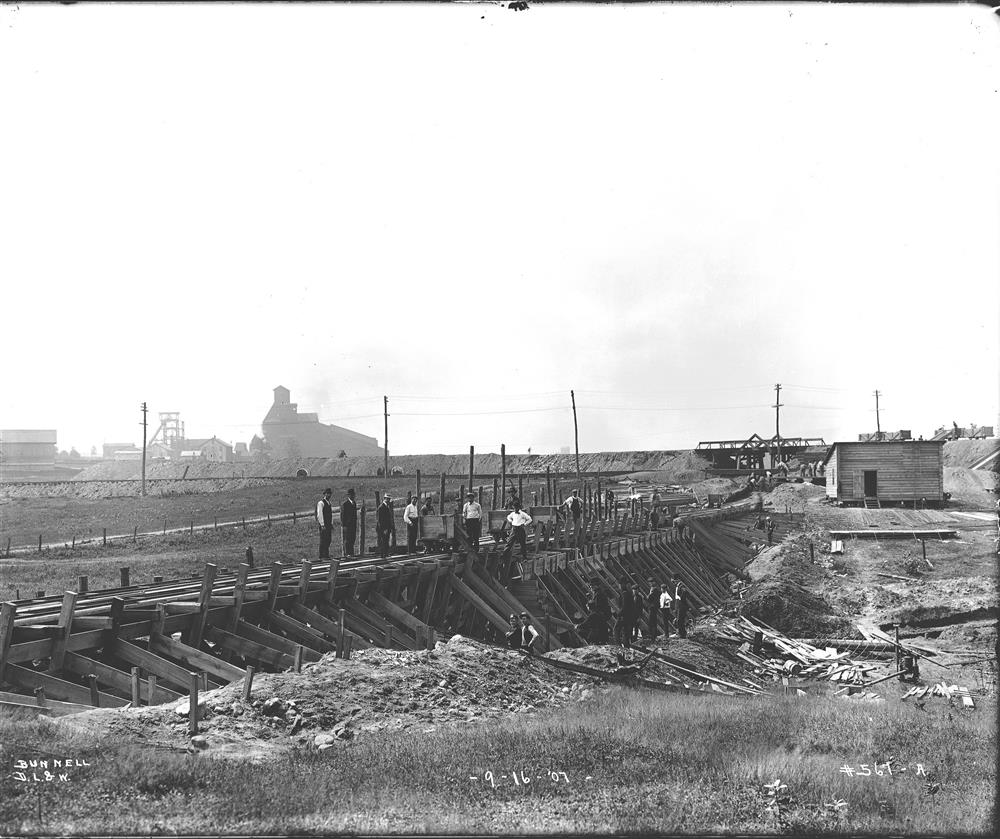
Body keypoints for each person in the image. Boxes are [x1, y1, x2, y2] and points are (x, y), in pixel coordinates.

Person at [316, 488, 334, 559]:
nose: (329, 495)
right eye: (327, 494)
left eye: (330, 494)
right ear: (324, 494)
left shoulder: (329, 503)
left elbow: (330, 514)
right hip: (324, 525)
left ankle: (326, 554)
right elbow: (319, 514)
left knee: (328, 540)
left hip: (328, 524)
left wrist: (331, 523)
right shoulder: (321, 503)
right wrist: (322, 524)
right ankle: (321, 555)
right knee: (323, 540)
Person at [340, 488, 358, 557]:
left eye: (353, 495)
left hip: (353, 525)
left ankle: (351, 553)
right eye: (351, 495)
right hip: (347, 525)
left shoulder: (354, 503)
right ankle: (347, 553)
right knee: (347, 540)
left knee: (352, 539)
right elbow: (342, 516)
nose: (353, 496)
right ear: (348, 496)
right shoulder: (345, 504)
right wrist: (344, 525)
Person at [376, 493, 393, 560]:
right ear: (384, 499)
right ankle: (383, 554)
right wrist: (384, 529)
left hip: (387, 528)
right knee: (383, 541)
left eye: (389, 499)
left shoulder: (386, 507)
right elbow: (380, 520)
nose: (388, 500)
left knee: (386, 540)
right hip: (382, 528)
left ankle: (386, 553)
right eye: (387, 499)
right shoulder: (381, 507)